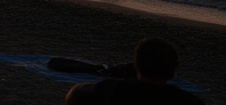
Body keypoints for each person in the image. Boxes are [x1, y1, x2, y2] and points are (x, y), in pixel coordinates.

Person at [65, 38, 203, 105]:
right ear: (173, 71)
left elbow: (75, 93)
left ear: (136, 65)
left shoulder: (112, 90)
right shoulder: (189, 101)